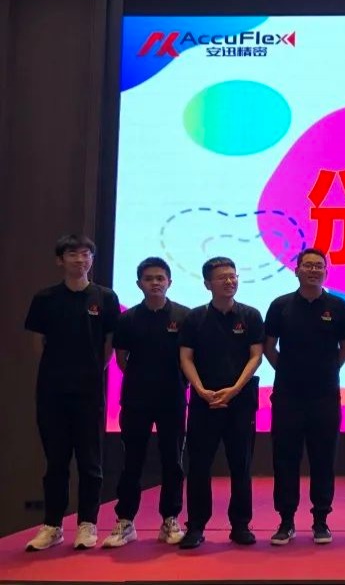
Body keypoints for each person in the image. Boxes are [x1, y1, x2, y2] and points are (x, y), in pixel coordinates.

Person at [24, 235, 121, 551]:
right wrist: (57, 372)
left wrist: (92, 370)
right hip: (52, 391)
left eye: (86, 254)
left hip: (89, 390)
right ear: (60, 260)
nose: (80, 259)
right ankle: (52, 526)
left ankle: (87, 523)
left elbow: (109, 343)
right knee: (56, 461)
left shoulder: (105, 297)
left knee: (90, 461)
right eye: (72, 254)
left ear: (92, 259)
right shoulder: (45, 298)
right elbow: (38, 342)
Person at [264, 248, 345, 546]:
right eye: (308, 265)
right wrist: (287, 370)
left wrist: (327, 370)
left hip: (325, 396)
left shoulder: (338, 306)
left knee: (323, 458)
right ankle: (286, 520)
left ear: (326, 272)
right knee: (285, 458)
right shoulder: (280, 306)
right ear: (297, 270)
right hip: (288, 395)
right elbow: (268, 346)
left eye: (319, 266)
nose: (314, 270)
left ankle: (321, 520)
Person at [177, 257, 264, 549]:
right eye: (222, 277)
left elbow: (256, 356)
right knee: (199, 465)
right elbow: (186, 357)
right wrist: (201, 390)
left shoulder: (250, 315)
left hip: (241, 401)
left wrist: (235, 389)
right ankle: (196, 526)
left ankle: (240, 525)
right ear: (207, 284)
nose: (229, 281)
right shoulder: (194, 318)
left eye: (233, 276)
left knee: (241, 464)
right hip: (204, 401)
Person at [102, 257, 189, 548]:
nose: (155, 283)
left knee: (172, 461)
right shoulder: (127, 319)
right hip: (136, 399)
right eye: (149, 278)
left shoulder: (184, 316)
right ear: (139, 283)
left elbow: (190, 358)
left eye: (160, 278)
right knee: (132, 461)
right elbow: (122, 359)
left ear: (169, 282)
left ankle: (170, 519)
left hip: (173, 398)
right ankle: (125, 521)